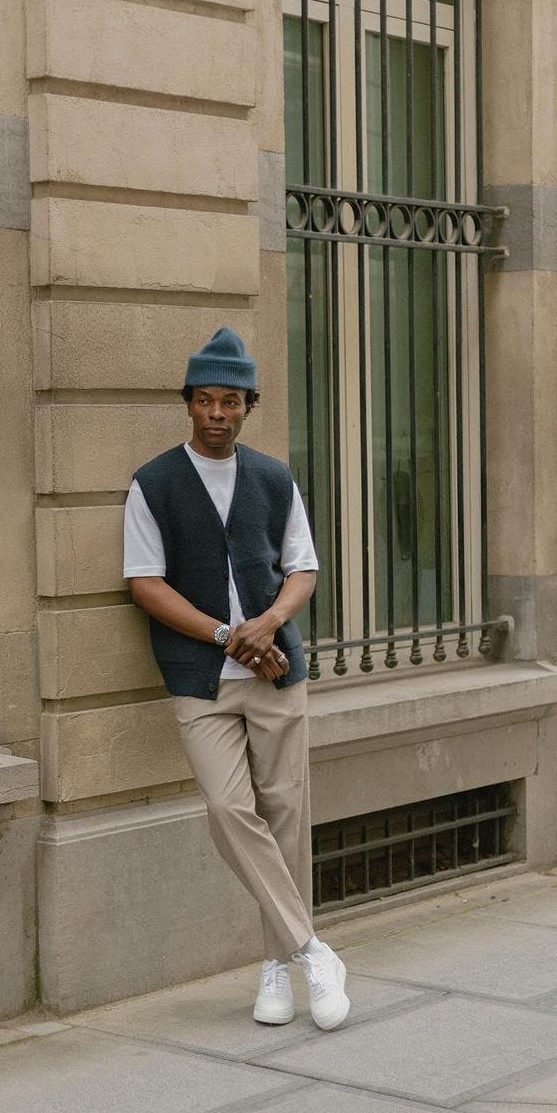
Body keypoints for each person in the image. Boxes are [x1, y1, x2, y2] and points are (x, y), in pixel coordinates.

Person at [123, 326, 350, 1031]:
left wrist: (268, 621)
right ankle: (312, 948)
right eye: (206, 401)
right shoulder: (154, 483)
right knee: (229, 810)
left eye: (231, 402)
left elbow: (302, 567)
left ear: (248, 406)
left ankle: (275, 967)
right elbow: (144, 584)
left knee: (285, 817)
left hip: (277, 676)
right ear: (187, 403)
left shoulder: (273, 477)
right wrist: (226, 634)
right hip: (202, 680)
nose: (218, 413)